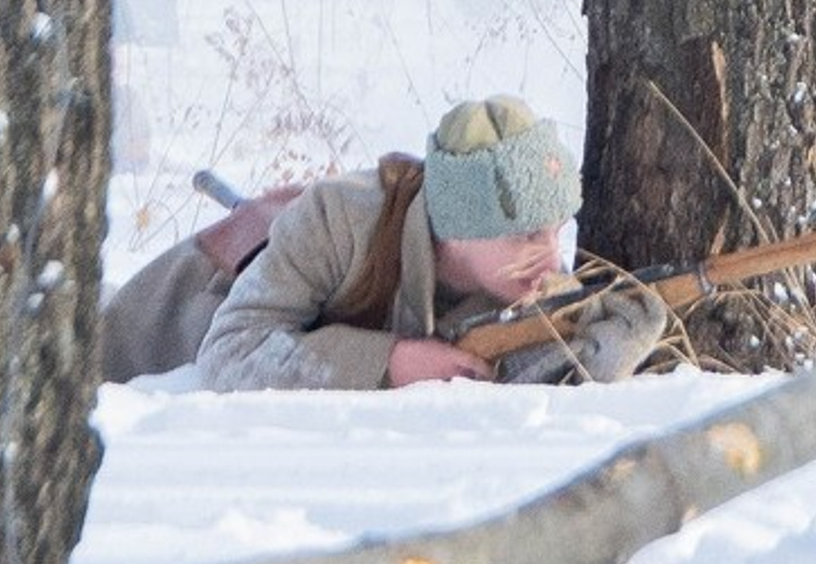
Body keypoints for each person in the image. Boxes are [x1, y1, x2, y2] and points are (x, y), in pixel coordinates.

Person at [98, 95, 663, 390]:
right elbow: (231, 353)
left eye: (558, 228)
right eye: (527, 233)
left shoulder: (513, 278)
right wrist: (391, 363)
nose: (552, 254)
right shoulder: (340, 218)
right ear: (459, 225)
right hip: (142, 338)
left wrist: (593, 359)